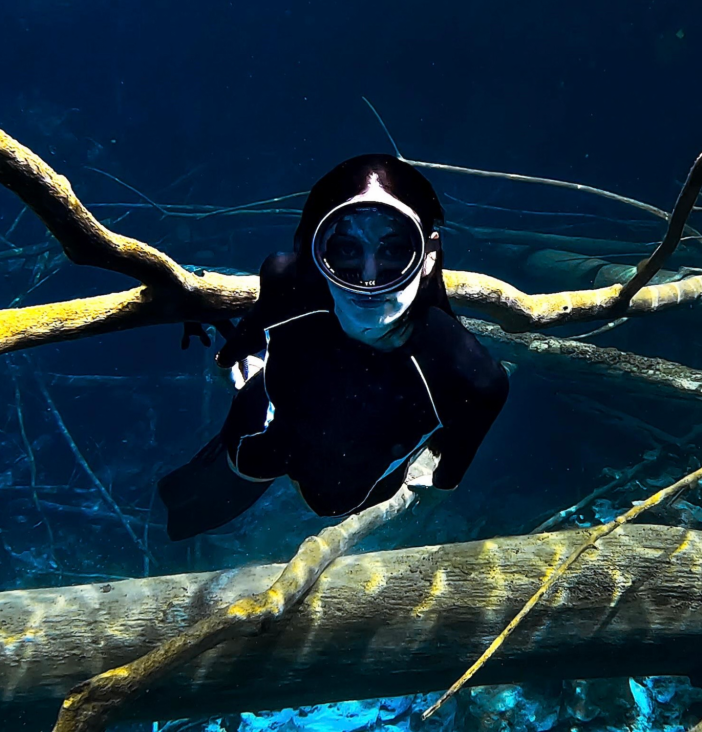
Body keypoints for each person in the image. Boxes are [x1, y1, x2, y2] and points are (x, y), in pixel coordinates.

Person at [158, 154, 510, 541]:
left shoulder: (472, 377)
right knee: (190, 507)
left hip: (339, 487)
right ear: (314, 252)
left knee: (303, 490)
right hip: (266, 441)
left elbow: (448, 472)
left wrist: (231, 361)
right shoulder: (285, 281)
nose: (370, 280)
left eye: (394, 251)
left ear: (427, 257)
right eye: (346, 250)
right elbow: (446, 478)